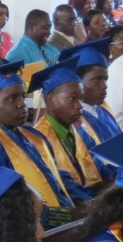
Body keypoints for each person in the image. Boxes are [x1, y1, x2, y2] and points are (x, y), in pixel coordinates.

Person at [0, 62, 76, 220]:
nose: (21, 104)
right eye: (12, 99)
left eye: (22, 97)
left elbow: (56, 178)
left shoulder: (32, 135)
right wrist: (66, 217)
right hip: (28, 229)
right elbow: (8, 201)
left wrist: (85, 204)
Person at [28, 64, 105, 197]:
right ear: (50, 100)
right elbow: (60, 187)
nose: (79, 106)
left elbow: (101, 168)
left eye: (80, 99)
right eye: (72, 98)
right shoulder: (37, 140)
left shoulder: (80, 133)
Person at [4, 9, 60, 75]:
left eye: (49, 28)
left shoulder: (51, 49)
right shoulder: (16, 54)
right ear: (31, 28)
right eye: (45, 28)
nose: (49, 32)